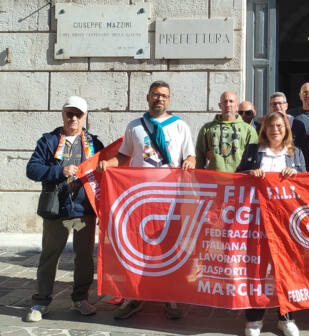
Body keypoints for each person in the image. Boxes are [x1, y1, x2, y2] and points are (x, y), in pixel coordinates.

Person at [96, 81, 196, 320]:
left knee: (168, 247)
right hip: (140, 198)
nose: (159, 99)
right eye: (155, 95)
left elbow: (190, 154)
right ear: (148, 97)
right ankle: (134, 297)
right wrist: (107, 164)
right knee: (138, 247)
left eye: (164, 96)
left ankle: (170, 297)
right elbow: (123, 156)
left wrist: (191, 161)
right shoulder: (135, 127)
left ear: (169, 100)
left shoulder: (180, 126)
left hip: (170, 198)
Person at [25, 96, 104, 322]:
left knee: (84, 258)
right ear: (63, 114)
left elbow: (104, 173)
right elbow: (32, 169)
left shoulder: (94, 144)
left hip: (82, 211)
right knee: (50, 255)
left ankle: (80, 299)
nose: (73, 118)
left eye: (78, 115)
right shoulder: (49, 141)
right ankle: (41, 301)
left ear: (85, 117)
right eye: (70, 113)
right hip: (56, 211)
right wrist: (59, 171)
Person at [237, 112, 306, 336]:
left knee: (285, 269)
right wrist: (250, 173)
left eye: (279, 126)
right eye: (270, 126)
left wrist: (295, 174)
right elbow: (237, 178)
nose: (275, 130)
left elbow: (307, 183)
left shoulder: (295, 153)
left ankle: (286, 318)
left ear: (286, 129)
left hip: (286, 221)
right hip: (256, 220)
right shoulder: (252, 151)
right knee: (256, 268)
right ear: (264, 130)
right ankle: (254, 320)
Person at [195, 91, 258, 172]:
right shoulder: (207, 128)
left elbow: (254, 158)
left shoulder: (249, 130)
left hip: (239, 180)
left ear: (237, 105)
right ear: (220, 105)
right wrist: (198, 178)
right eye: (225, 101)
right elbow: (200, 156)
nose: (228, 104)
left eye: (231, 101)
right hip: (214, 180)